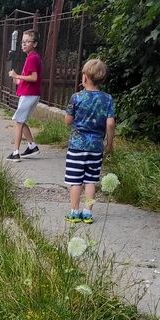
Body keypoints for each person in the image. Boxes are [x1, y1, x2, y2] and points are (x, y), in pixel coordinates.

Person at [63, 58, 116, 224]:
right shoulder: (107, 99)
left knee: (75, 180)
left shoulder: (76, 97)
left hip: (77, 146)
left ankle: (74, 212)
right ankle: (87, 213)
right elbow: (110, 123)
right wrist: (109, 143)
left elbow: (68, 120)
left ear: (84, 77)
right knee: (91, 180)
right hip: (95, 147)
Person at [5, 30, 41, 162]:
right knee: (21, 120)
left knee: (18, 122)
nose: (24, 44)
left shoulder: (32, 58)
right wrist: (16, 79)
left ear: (35, 44)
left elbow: (34, 77)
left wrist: (17, 76)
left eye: (27, 42)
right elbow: (23, 80)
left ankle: (15, 152)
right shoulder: (31, 57)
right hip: (28, 93)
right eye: (23, 42)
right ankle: (32, 146)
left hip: (29, 94)